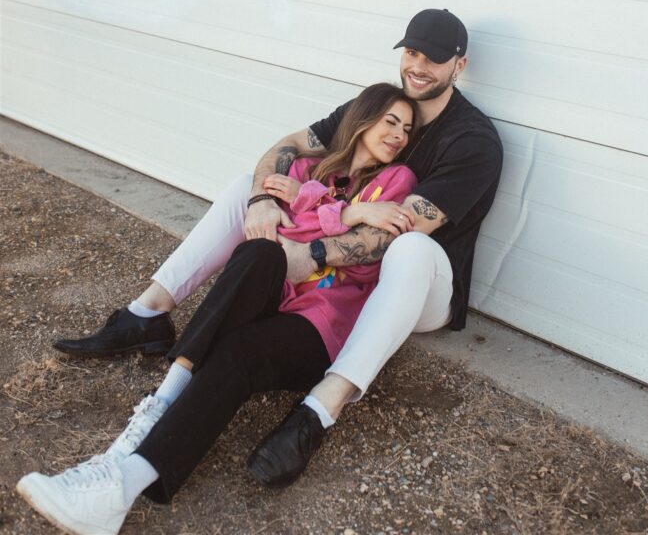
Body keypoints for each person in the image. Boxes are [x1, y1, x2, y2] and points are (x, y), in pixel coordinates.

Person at [53, 8, 504, 486]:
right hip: (340, 267)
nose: (418, 66)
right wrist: (264, 200)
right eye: (412, 52)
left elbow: (396, 228)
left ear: (460, 65)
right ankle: (147, 314)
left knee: (408, 248)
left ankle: (319, 410)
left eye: (434, 59)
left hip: (422, 286)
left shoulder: (471, 140)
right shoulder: (381, 104)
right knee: (244, 186)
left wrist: (306, 256)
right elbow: (290, 145)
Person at [17, 84, 418, 535]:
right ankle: (154, 420)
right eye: (391, 122)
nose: (400, 134)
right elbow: (277, 227)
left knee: (236, 351)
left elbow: (359, 256)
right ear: (363, 118)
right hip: (277, 295)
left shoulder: (398, 182)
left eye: (406, 128)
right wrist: (344, 214)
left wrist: (316, 207)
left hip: (318, 325)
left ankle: (135, 456)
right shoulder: (307, 166)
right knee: (260, 253)